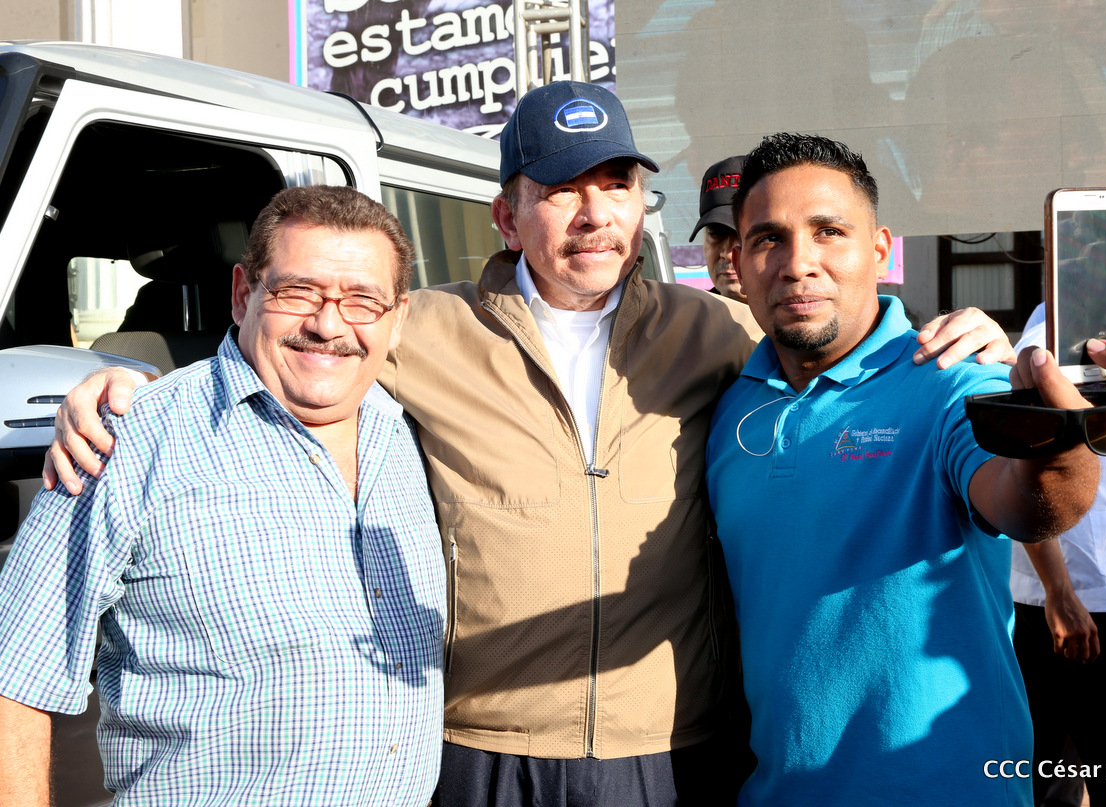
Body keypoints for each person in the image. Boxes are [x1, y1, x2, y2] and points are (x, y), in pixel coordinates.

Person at [45, 83, 1016, 807]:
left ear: (641, 208)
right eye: (559, 189)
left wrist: (972, 336)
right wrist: (133, 386)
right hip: (481, 749)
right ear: (507, 215)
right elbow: (297, 349)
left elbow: (837, 342)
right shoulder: (422, 327)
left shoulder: (719, 333)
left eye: (616, 185)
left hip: (670, 752)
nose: (593, 213)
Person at [705, 133, 1106, 805]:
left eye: (829, 232)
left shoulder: (954, 378)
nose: (798, 263)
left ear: (879, 251)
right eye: (768, 239)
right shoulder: (728, 408)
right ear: (739, 261)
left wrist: (1059, 441)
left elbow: (1029, 504)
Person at [0, 186, 445, 806]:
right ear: (242, 295)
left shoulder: (413, 432)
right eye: (298, 291)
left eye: (362, 301)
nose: (328, 324)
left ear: (396, 319)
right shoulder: (125, 439)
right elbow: (14, 679)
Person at [1010, 242, 1106, 805]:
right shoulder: (1047, 348)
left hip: (1088, 591)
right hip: (1077, 598)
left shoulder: (1099, 359)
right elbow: (1031, 477)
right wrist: (1060, 593)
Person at [690, 155, 747, 302]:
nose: (728, 254)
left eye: (743, 235)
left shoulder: (799, 315)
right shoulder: (685, 315)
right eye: (716, 234)